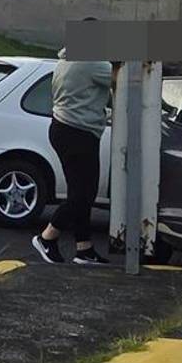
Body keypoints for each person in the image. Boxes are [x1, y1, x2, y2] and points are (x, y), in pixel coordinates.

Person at [31, 39, 113, 266]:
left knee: (80, 191)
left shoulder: (65, 60)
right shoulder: (92, 62)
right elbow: (123, 78)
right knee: (84, 194)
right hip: (79, 133)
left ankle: (84, 248)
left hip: (63, 128)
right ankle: (47, 237)